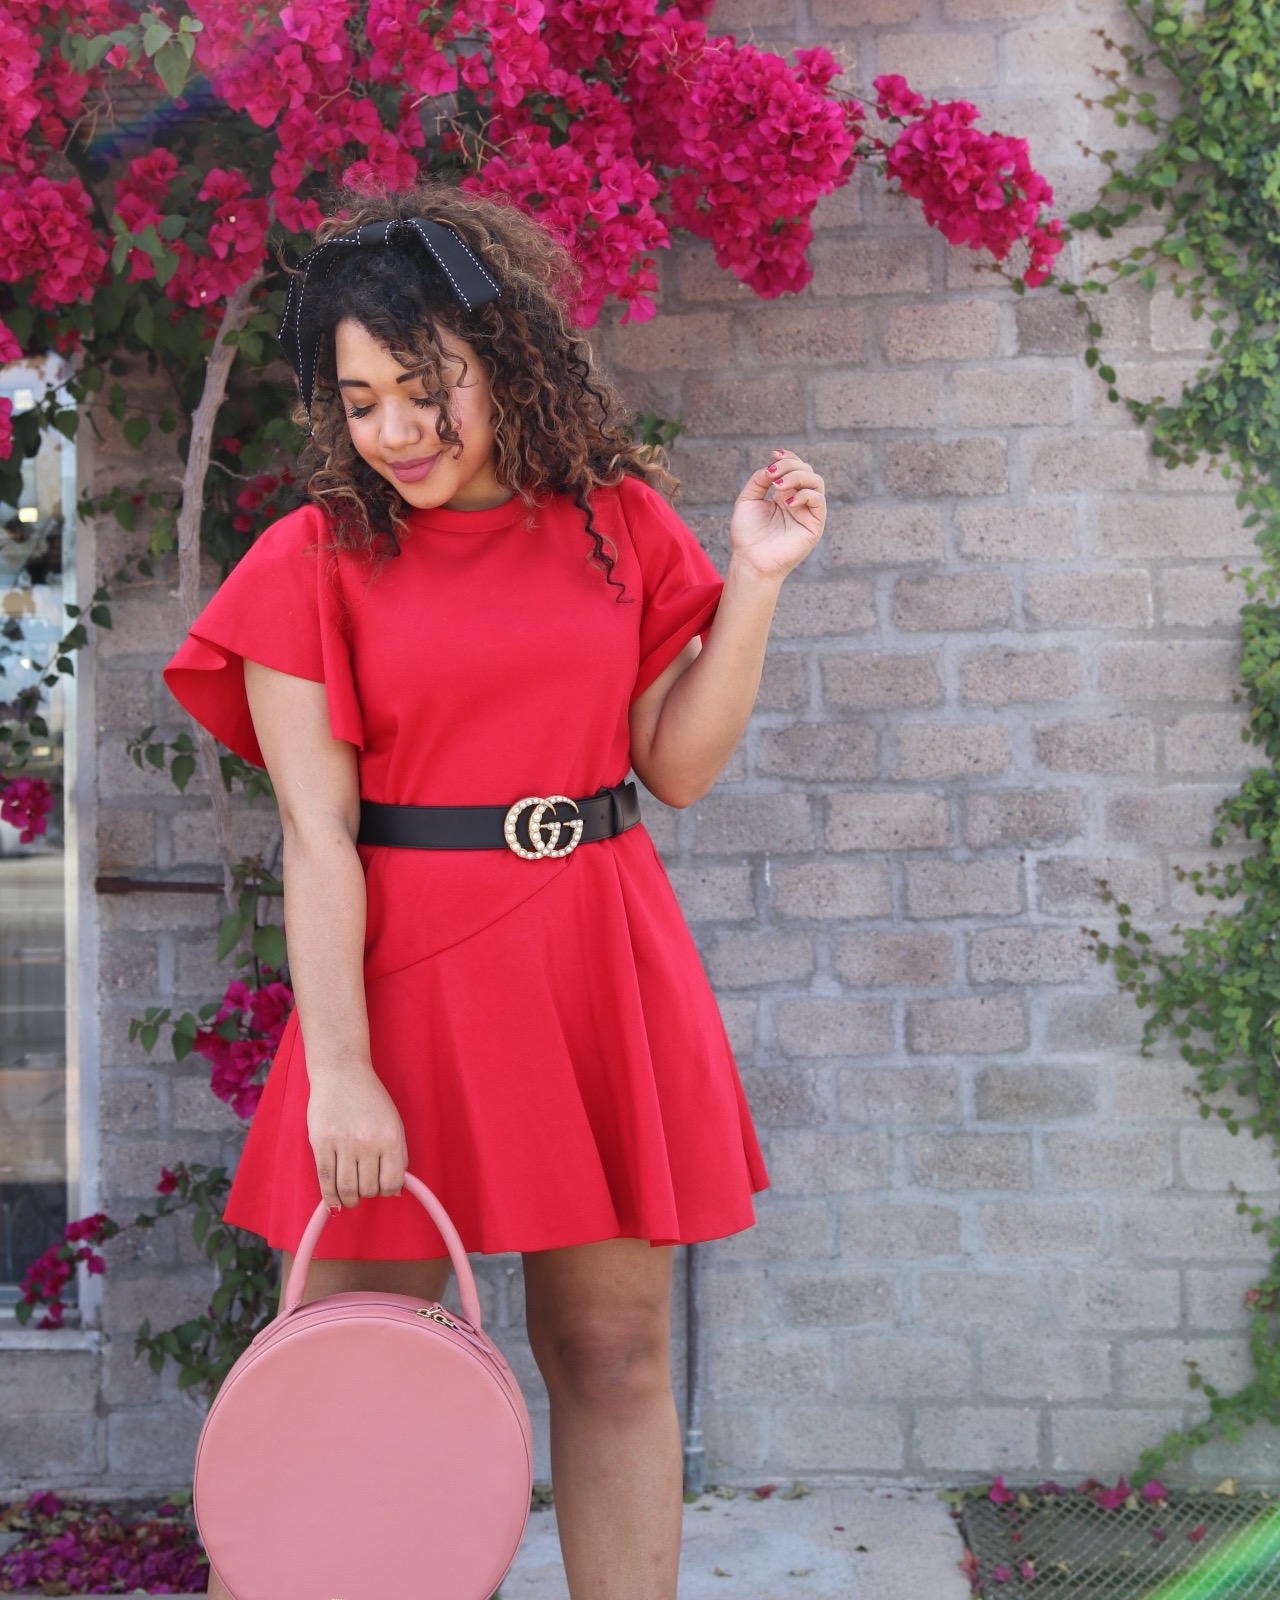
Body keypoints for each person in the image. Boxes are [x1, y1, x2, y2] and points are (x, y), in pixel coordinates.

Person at [163, 179, 827, 1600]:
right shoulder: (310, 561)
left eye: (427, 390)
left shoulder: (618, 526)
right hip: (399, 984)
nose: (396, 431)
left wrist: (757, 582)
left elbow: (675, 767)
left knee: (613, 1354)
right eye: (361, 403)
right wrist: (341, 1071)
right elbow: (315, 835)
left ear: (504, 359)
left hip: (595, 954)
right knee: (344, 1380)